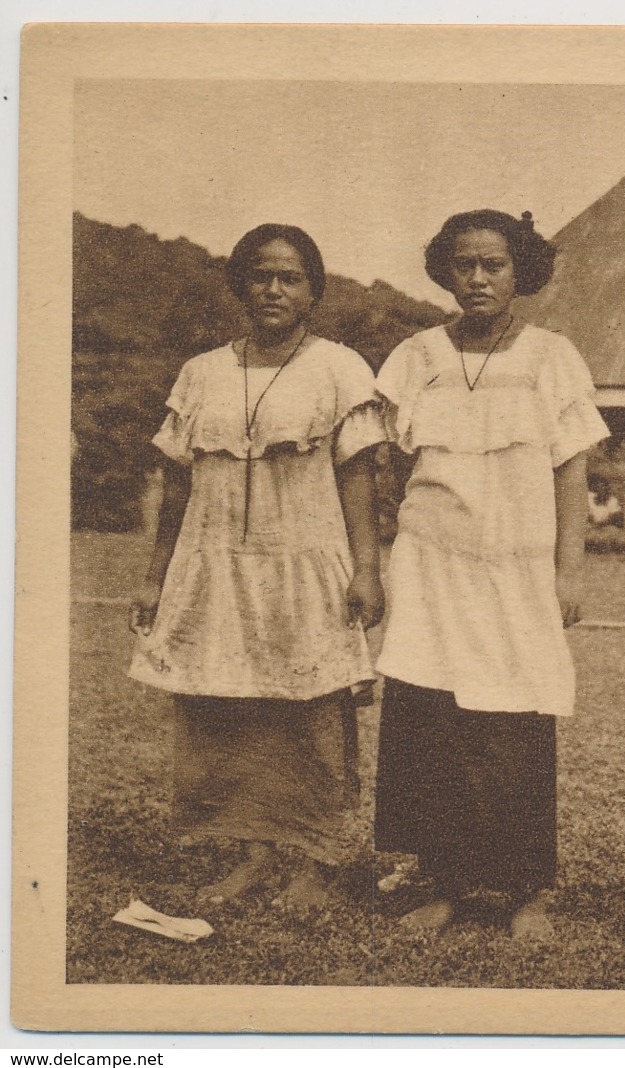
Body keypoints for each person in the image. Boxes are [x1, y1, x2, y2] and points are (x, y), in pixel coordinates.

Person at [128, 223, 385, 910]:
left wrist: (367, 569)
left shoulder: (339, 369)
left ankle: (316, 865)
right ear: (241, 283)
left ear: (312, 291)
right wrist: (155, 577)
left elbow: (359, 479)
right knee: (229, 710)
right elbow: (177, 487)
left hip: (304, 562)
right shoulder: (201, 372)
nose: (274, 289)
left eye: (291, 277)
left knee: (309, 717)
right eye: (262, 275)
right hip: (216, 567)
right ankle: (253, 857)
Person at [372, 209, 609, 940]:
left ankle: (525, 889)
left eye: (494, 266)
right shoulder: (416, 355)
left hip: (518, 565)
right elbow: (389, 463)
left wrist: (568, 569)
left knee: (515, 722)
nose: (477, 279)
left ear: (520, 272)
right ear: (445, 270)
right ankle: (442, 881)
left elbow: (573, 467)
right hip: (432, 565)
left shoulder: (550, 356)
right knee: (430, 719)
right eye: (465, 265)